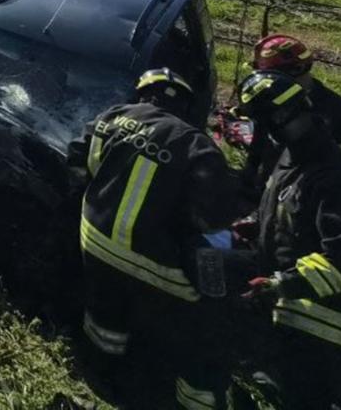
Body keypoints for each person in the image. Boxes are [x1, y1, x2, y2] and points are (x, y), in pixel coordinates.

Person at [68, 68, 242, 410]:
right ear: (187, 106)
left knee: (106, 311)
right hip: (153, 261)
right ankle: (198, 396)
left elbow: (79, 163)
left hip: (94, 241)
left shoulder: (112, 117)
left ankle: (102, 370)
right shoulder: (198, 146)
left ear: (143, 95)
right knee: (208, 315)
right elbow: (213, 220)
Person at [235, 71, 341, 410]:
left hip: (327, 323)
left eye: (264, 125)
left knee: (304, 396)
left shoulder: (338, 181)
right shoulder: (291, 159)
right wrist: (253, 225)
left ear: (279, 121)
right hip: (293, 308)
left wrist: (281, 284)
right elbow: (280, 206)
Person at [245, 34, 341, 199]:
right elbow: (261, 148)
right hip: (280, 197)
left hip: (324, 201)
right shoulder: (274, 104)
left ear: (296, 71)